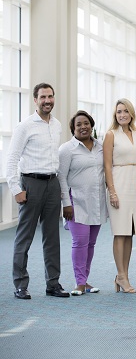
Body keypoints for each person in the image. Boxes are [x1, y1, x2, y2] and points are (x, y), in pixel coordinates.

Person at [6, 82, 70, 299]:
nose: (47, 101)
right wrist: (16, 188)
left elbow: (57, 162)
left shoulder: (57, 125)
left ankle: (53, 283)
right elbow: (12, 158)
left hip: (52, 184)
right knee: (25, 237)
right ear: (35, 100)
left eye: (50, 96)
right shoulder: (25, 126)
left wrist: (62, 193)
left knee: (52, 237)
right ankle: (20, 285)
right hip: (31, 184)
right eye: (43, 97)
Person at [58, 110, 107, 296]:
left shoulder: (100, 147)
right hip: (75, 202)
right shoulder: (67, 149)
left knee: (90, 244)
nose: (83, 127)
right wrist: (66, 204)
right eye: (78, 124)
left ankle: (84, 280)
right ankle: (79, 282)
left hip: (96, 202)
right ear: (73, 129)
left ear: (91, 125)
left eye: (86, 123)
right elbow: (61, 177)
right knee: (79, 242)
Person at [104, 98, 136, 293]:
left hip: (135, 183)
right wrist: (112, 191)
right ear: (115, 115)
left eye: (125, 111)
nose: (122, 115)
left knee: (129, 233)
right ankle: (121, 276)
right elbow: (107, 166)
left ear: (131, 114)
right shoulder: (111, 135)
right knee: (120, 232)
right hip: (118, 183)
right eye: (119, 112)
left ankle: (123, 275)